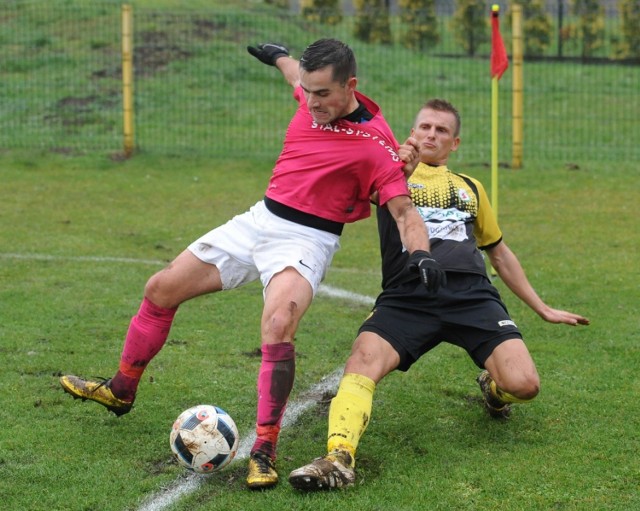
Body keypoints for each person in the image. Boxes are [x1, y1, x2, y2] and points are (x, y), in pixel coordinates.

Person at [59, 39, 445, 490]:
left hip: (308, 238)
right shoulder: (308, 92)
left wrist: (421, 255)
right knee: (161, 288)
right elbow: (291, 76)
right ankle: (121, 390)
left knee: (278, 323)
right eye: (308, 92)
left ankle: (263, 450)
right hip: (260, 219)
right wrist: (280, 55)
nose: (313, 102)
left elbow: (403, 212)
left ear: (350, 86)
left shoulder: (378, 143)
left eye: (322, 94)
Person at [288, 98, 590, 491]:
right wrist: (396, 166)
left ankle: (493, 389)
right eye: (424, 127)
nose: (431, 134)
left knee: (525, 385)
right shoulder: (389, 174)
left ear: (455, 143)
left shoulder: (470, 187)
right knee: (362, 362)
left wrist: (542, 307)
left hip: (472, 296)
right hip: (407, 295)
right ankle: (338, 458)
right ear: (411, 133)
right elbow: (347, 193)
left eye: (441, 130)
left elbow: (498, 250)